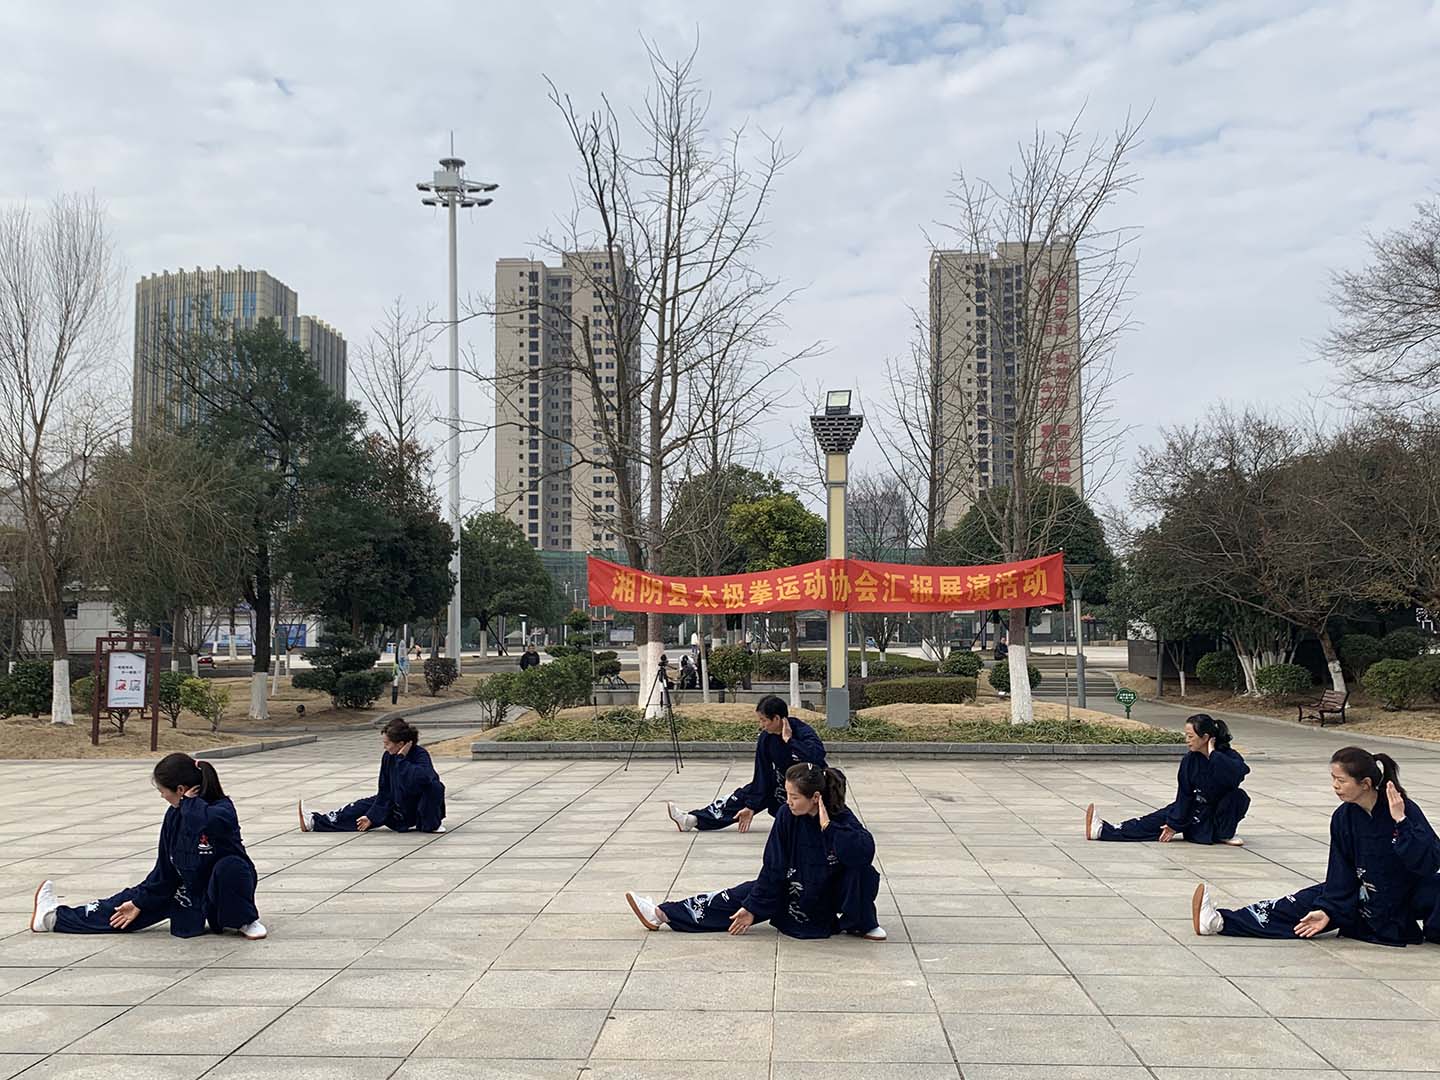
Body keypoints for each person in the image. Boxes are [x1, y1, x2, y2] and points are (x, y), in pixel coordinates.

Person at [1192, 746, 1440, 946]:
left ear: (1365, 783)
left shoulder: (1403, 809)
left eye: (1341, 780)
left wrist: (1401, 821)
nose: (1335, 786)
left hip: (1408, 892)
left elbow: (1429, 861)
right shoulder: (1343, 816)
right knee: (1303, 905)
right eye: (1333, 779)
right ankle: (1221, 921)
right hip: (1363, 890)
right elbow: (1341, 869)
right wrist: (1329, 909)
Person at [627, 763, 886, 941]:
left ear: (816, 798)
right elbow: (774, 865)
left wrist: (828, 827)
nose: (788, 801)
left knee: (863, 872)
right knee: (739, 897)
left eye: (795, 797)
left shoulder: (841, 817)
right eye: (787, 795)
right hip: (796, 888)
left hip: (829, 893)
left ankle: (864, 923)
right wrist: (753, 906)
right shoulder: (786, 814)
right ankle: (662, 913)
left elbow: (864, 854)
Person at [29, 754, 265, 940]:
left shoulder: (222, 809)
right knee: (126, 908)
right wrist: (140, 901)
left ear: (180, 790)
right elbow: (165, 868)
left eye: (163, 791)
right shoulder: (173, 816)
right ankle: (52, 918)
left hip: (222, 892)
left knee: (231, 867)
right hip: (187, 890)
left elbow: (207, 823)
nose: (162, 796)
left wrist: (189, 804)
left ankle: (245, 920)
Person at [665, 695, 825, 832]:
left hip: (809, 785)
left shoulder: (800, 730)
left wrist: (790, 741)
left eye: (763, 720)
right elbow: (762, 772)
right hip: (782, 782)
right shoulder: (766, 738)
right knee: (745, 794)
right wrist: (752, 805)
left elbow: (817, 756)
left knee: (799, 815)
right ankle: (693, 820)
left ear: (776, 718)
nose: (761, 725)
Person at [1085, 714, 1250, 845]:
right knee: (1154, 821)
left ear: (1205, 737)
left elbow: (1238, 773)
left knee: (1238, 796)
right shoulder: (1190, 760)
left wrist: (1213, 755)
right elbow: (1185, 794)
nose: (1187, 741)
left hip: (1218, 816)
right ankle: (1102, 830)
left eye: (1190, 736)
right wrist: (1174, 823)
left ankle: (1224, 834)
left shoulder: (1227, 756)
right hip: (1194, 811)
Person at [299, 718, 447, 833]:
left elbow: (423, 778)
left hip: (419, 811)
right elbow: (385, 790)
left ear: (401, 744)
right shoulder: (388, 757)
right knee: (359, 808)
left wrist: (401, 759)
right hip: (397, 807)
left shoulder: (420, 754)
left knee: (435, 786)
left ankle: (431, 824)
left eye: (387, 743)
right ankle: (313, 822)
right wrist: (372, 816)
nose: (385, 747)